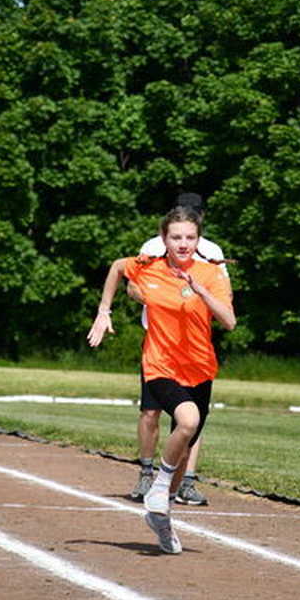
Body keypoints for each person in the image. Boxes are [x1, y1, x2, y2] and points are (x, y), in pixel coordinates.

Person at [87, 206, 235, 554]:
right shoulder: (148, 267)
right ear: (164, 239)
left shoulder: (211, 274)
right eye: (176, 237)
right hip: (160, 366)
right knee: (188, 420)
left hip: (200, 369)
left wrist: (201, 290)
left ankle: (162, 516)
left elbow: (229, 321)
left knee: (183, 450)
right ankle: (158, 484)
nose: (183, 243)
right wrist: (103, 311)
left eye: (190, 237)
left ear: (198, 240)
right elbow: (116, 269)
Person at [129, 192, 231, 507]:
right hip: (159, 342)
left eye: (194, 218)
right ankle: (147, 473)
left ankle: (185, 480)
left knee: (191, 420)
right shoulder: (153, 246)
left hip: (194, 345)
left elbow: (224, 301)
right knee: (150, 411)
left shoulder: (212, 252)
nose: (183, 241)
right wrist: (149, 298)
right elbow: (131, 282)